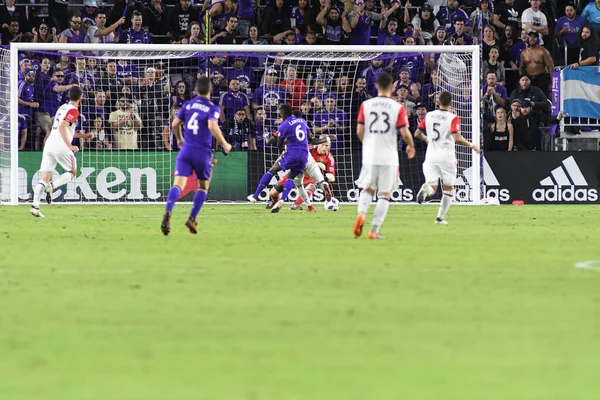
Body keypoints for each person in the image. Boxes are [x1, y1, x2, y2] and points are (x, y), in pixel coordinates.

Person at [161, 76, 232, 235]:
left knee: (178, 185)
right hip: (202, 152)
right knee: (203, 186)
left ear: (194, 90)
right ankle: (191, 218)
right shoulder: (213, 108)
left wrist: (179, 139)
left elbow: (174, 124)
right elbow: (212, 126)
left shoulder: (187, 104)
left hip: (185, 150)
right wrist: (224, 143)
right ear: (211, 91)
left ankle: (168, 212)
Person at [353, 72, 415, 240]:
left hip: (370, 153)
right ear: (392, 87)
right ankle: (373, 230)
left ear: (376, 86)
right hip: (388, 155)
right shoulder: (397, 107)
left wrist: (367, 143)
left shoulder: (366, 105)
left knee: (368, 189)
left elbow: (359, 131)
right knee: (384, 194)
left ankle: (361, 214)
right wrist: (410, 145)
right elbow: (404, 132)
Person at [414, 91, 480, 225]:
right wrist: (471, 144)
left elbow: (417, 133)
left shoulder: (429, 115)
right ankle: (439, 218)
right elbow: (456, 138)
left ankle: (426, 189)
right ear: (451, 103)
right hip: (447, 157)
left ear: (437, 102)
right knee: (448, 189)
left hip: (431, 156)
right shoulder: (453, 117)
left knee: (433, 187)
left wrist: (427, 139)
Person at [247, 106, 318, 213]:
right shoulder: (302, 121)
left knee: (272, 170)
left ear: (282, 115)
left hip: (290, 153)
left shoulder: (284, 125)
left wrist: (270, 140)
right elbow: (311, 138)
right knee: (291, 177)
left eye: (279, 115)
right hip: (304, 155)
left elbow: (273, 142)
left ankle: (255, 196)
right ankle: (282, 200)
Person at [30, 86, 83, 218]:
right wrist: (69, 145)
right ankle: (53, 186)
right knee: (72, 172)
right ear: (80, 97)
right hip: (61, 146)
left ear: (68, 96)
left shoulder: (61, 108)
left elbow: (61, 128)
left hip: (49, 144)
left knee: (44, 178)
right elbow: (63, 126)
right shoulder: (74, 110)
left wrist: (84, 136)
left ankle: (35, 206)